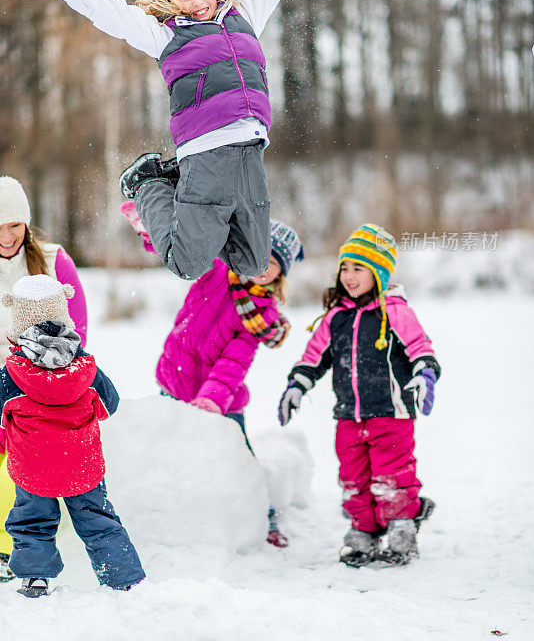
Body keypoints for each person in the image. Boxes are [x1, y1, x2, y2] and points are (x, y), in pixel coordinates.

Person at [5, 0, 323, 283]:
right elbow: (112, 14)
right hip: (205, 149)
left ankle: (179, 192)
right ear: (172, 2)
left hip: (251, 149)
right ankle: (150, 184)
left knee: (254, 264)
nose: (198, 2)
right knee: (188, 264)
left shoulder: (245, 17)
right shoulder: (166, 35)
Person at [123, 202, 304, 546]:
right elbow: (181, 252)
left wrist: (212, 398)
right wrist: (148, 226)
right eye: (260, 257)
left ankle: (264, 518)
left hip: (222, 402)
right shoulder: (217, 270)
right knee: (174, 454)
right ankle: (177, 514)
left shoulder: (260, 316)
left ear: (281, 276)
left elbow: (233, 363)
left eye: (273, 266)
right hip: (174, 382)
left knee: (240, 462)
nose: (262, 269)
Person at [277, 223, 441, 566]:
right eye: (345, 268)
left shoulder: (395, 312)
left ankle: (400, 528)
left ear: (379, 272)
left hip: (391, 413)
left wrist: (425, 373)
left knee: (393, 475)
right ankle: (363, 532)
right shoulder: (335, 317)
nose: (349, 276)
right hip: (348, 416)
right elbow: (314, 358)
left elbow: (420, 349)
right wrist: (297, 385)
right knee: (354, 478)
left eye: (359, 268)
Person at [0, 274, 145, 597]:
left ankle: (36, 577)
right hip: (82, 467)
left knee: (31, 521)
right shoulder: (86, 368)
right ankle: (123, 578)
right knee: (97, 520)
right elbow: (111, 403)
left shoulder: (11, 375)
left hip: (32, 468)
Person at [0, 175, 88, 583]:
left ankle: (9, 547)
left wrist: (47, 376)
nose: (6, 235)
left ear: (26, 222)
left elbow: (78, 331)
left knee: (20, 463)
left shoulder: (54, 260)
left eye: (14, 224)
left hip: (40, 381)